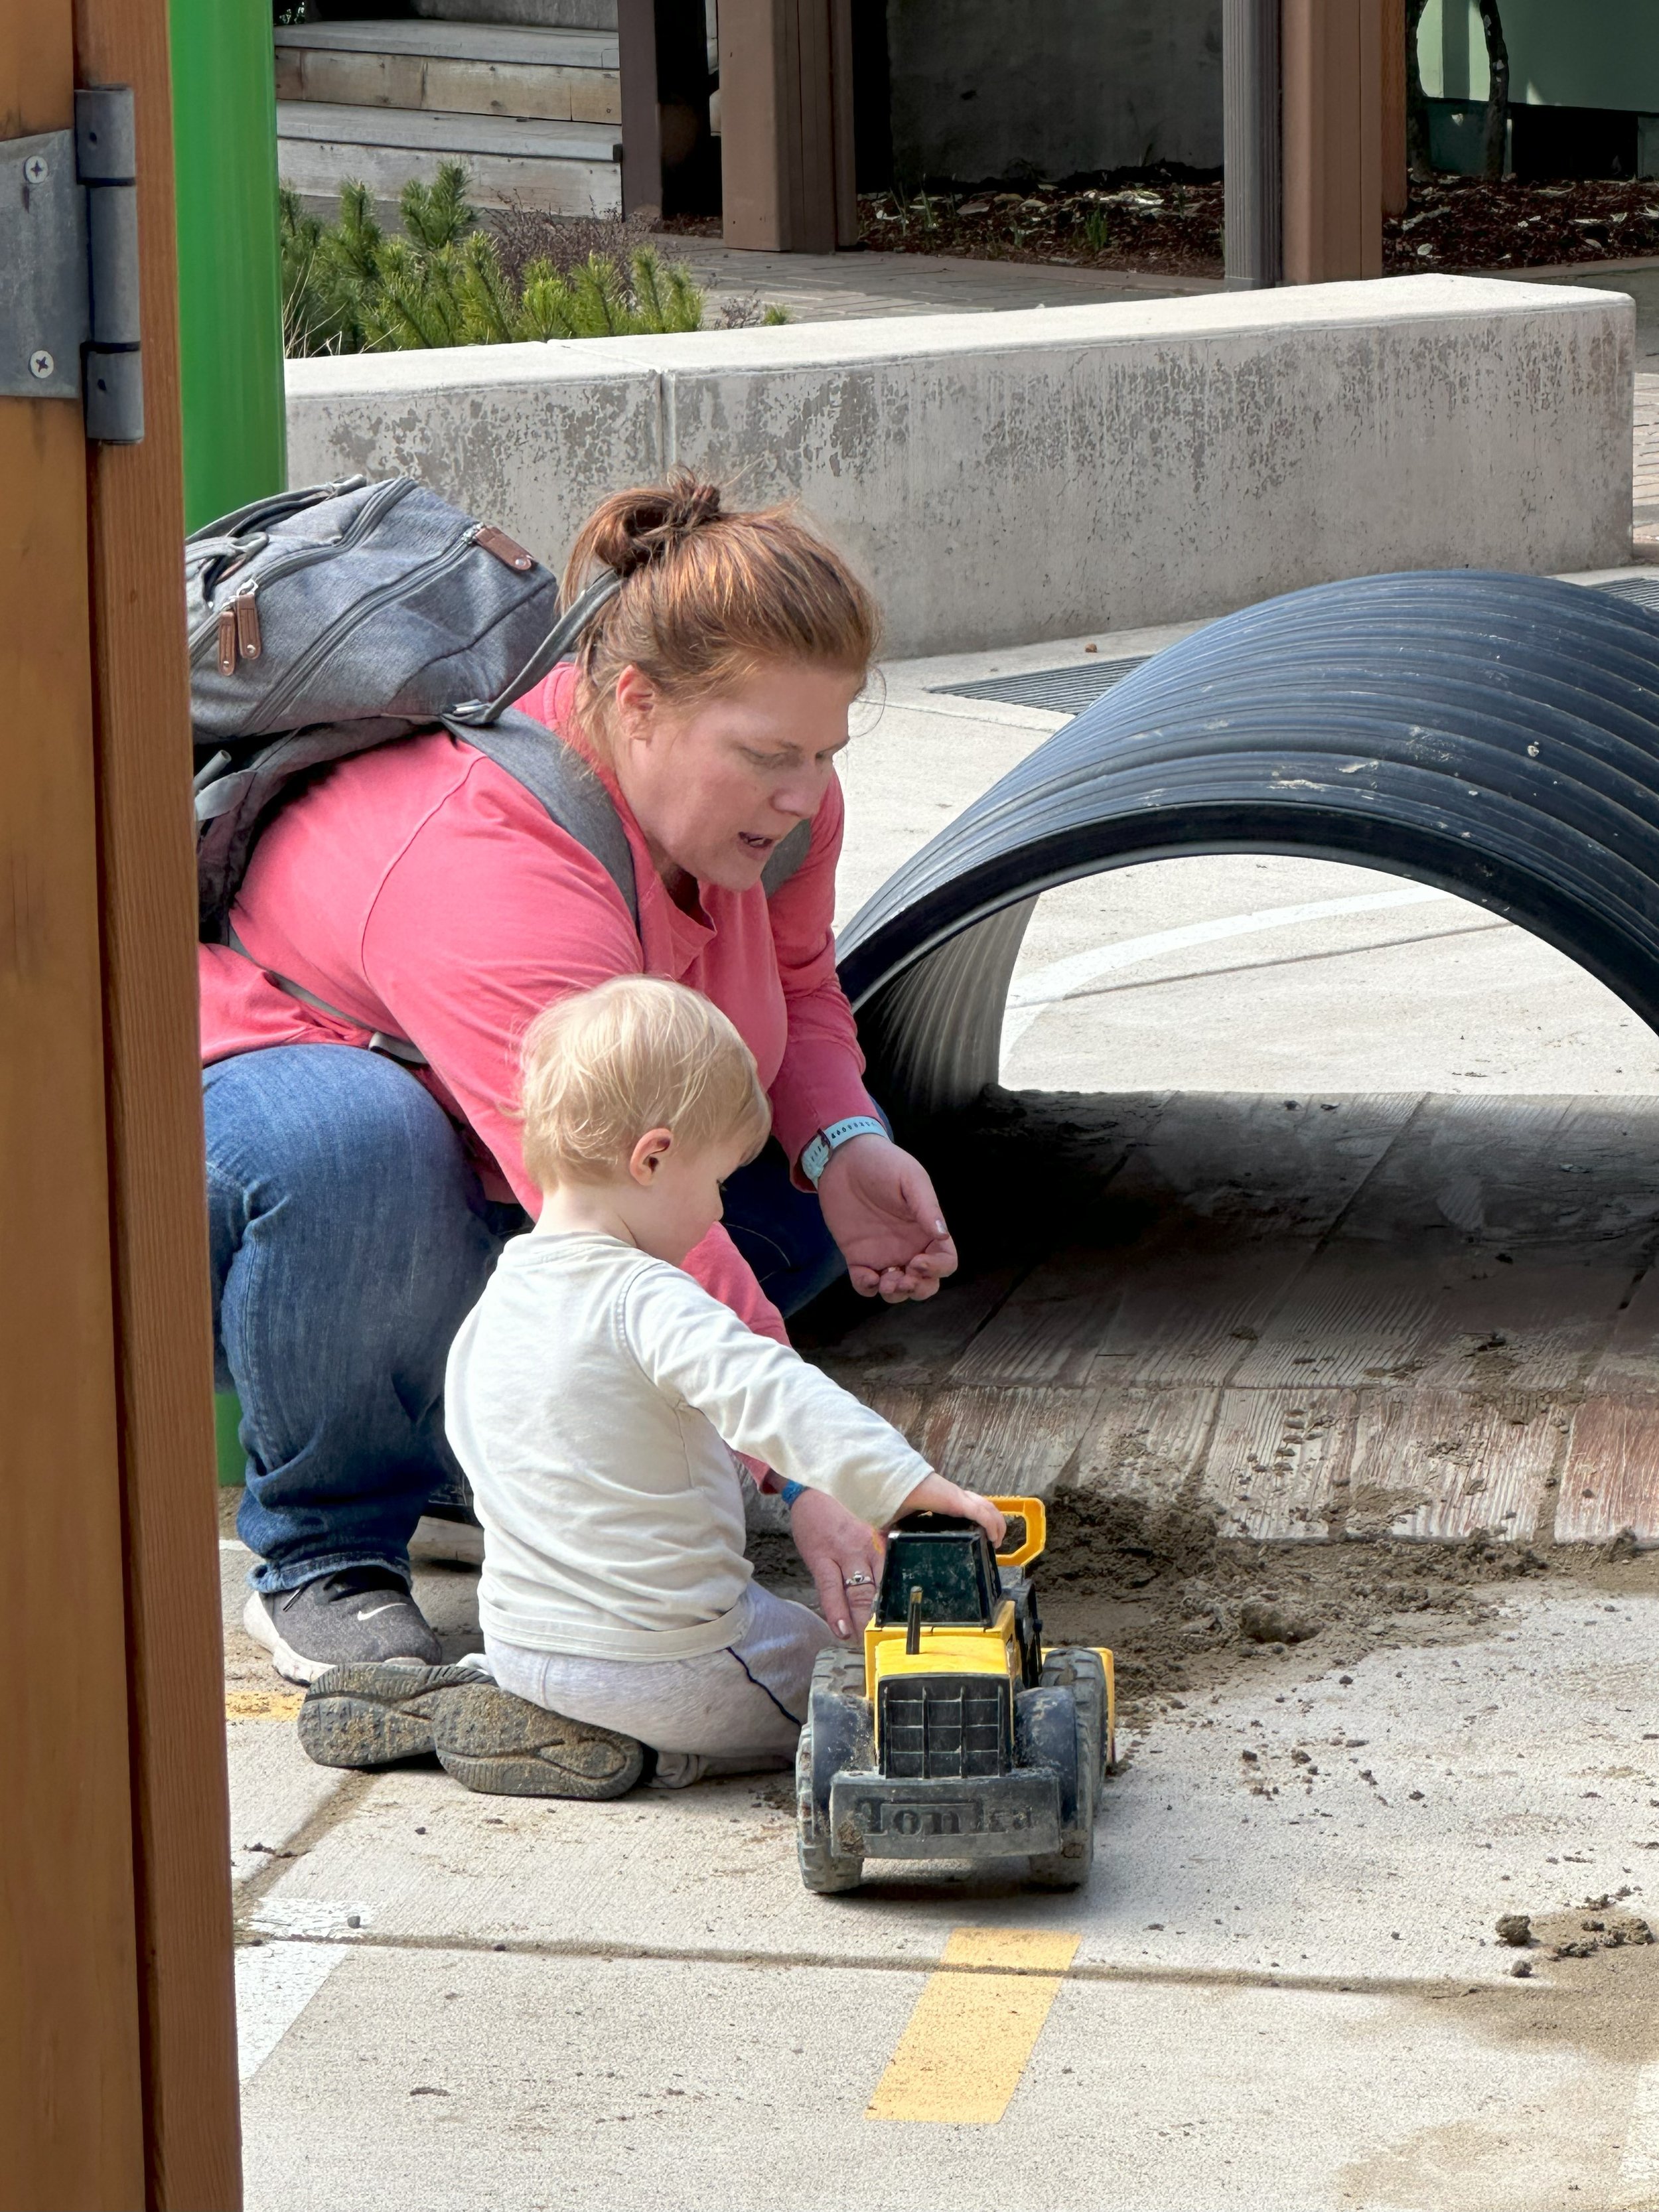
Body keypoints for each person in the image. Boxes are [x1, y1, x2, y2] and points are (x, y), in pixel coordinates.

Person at [203, 471, 960, 1682]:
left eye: (824, 751)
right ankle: (326, 1548)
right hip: (265, 1142)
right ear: (636, 702)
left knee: (762, 1198)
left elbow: (804, 985)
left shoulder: (779, 816)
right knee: (365, 1144)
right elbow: (604, 1192)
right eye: (768, 755)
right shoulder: (491, 861)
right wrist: (822, 1467)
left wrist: (841, 1144)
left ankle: (477, 1450)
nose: (803, 792)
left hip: (507, 1148)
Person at [297, 978, 1004, 1795]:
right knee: (840, 1684)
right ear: (654, 1157)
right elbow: (778, 1396)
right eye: (717, 1183)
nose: (715, 1212)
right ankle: (662, 1757)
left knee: (640, 1645)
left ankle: (507, 1696)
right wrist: (907, 1486)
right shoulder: (649, 1299)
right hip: (666, 1664)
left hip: (526, 1639)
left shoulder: (498, 1299)